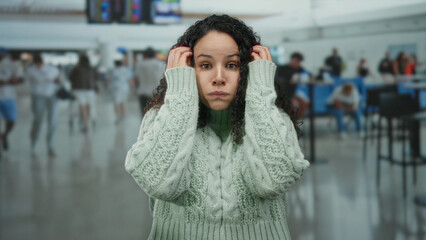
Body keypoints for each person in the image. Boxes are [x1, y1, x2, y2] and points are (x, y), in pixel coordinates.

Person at [125, 14, 309, 239]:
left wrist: (260, 93)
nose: (219, 77)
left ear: (248, 70)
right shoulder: (159, 118)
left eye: (232, 65)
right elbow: (159, 184)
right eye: (205, 65)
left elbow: (272, 182)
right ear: (189, 69)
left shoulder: (274, 119)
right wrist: (181, 94)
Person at [26, 54, 60, 157]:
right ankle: (34, 142)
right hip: (38, 96)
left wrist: (56, 80)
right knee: (38, 120)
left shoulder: (52, 69)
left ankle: (50, 145)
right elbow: (27, 81)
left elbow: (58, 79)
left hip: (52, 96)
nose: (39, 65)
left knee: (52, 121)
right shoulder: (31, 70)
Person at [0, 49, 24, 152]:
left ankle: (4, 135)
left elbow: (20, 78)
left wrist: (9, 81)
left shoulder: (13, 64)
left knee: (12, 120)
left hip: (8, 96)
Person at [69, 54, 98, 132]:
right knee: (88, 106)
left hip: (79, 90)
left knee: (83, 107)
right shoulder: (92, 68)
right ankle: (87, 121)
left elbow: (70, 78)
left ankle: (85, 124)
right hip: (90, 90)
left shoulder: (76, 69)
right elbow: (96, 78)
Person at [275, 52, 309, 118]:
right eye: (296, 61)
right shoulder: (283, 68)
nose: (297, 63)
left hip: (292, 93)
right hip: (283, 93)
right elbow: (279, 83)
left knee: (304, 104)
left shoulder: (299, 69)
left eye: (299, 62)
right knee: (293, 106)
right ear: (292, 60)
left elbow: (309, 75)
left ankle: (295, 120)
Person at [134, 47, 165, 116]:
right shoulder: (160, 64)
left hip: (143, 92)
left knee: (144, 114)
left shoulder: (140, 64)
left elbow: (137, 78)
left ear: (145, 55)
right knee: (157, 115)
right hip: (157, 93)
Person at [108, 59, 132, 124]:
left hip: (116, 88)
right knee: (123, 102)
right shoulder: (126, 70)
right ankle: (123, 115)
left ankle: (118, 116)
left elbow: (109, 80)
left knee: (116, 102)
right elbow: (129, 79)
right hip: (124, 88)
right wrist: (132, 87)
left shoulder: (113, 71)